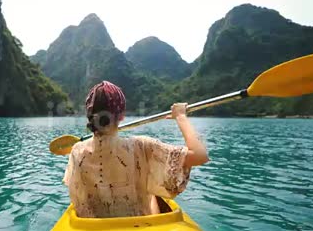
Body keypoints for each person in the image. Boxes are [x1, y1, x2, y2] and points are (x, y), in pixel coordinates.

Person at [63, 81, 209, 218]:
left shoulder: (77, 151)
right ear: (121, 116)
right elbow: (200, 155)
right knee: (152, 192)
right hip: (138, 228)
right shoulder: (141, 146)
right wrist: (181, 117)